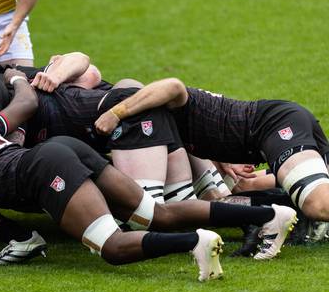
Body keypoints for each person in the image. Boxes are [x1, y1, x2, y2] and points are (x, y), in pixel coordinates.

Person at [0, 69, 296, 277]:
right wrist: (16, 77)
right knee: (154, 212)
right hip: (64, 148)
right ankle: (267, 216)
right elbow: (23, 105)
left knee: (114, 248)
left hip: (46, 170)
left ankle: (196, 242)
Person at [94, 78, 329, 237]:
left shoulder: (153, 105)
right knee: (246, 191)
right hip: (274, 126)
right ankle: (292, 216)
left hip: (274, 126)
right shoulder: (165, 130)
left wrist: (116, 113)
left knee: (316, 204)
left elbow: (173, 85)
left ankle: (303, 216)